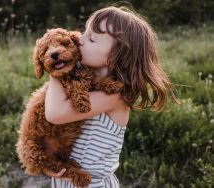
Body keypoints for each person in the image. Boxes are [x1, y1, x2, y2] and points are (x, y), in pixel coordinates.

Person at [44, 5, 177, 188]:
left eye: (91, 38)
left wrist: (55, 66)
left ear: (113, 57)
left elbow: (55, 113)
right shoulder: (84, 83)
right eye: (84, 32)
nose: (79, 39)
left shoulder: (115, 96)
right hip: (67, 180)